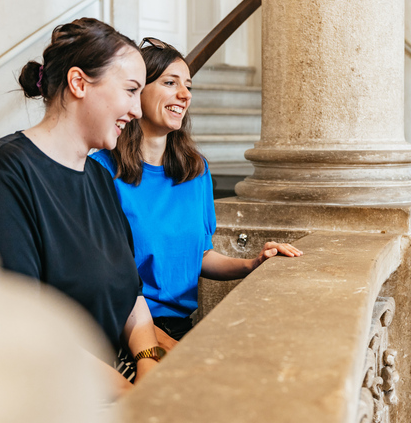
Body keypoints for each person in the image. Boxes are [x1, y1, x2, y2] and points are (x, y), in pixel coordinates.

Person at [0, 18, 163, 397]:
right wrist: (136, 399)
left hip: (116, 380)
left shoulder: (99, 178)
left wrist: (149, 362)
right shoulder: (1, 171)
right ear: (79, 83)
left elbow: (131, 296)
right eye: (130, 90)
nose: (136, 110)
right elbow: (22, 326)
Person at [91, 37, 302, 341]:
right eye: (170, 82)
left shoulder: (195, 169)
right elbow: (97, 275)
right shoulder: (100, 170)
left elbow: (199, 255)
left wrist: (252, 263)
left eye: (188, 86)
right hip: (120, 329)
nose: (184, 94)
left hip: (179, 326)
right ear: (137, 90)